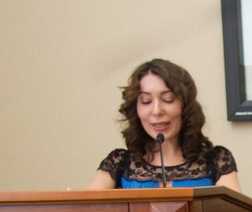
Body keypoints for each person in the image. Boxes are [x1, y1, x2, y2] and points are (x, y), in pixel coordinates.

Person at [87, 58, 242, 191]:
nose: (157, 111)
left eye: (168, 99)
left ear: (185, 106)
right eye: (146, 101)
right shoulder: (119, 162)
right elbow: (84, 209)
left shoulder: (217, 160)